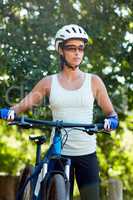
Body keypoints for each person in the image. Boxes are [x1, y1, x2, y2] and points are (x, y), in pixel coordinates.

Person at [0, 24, 118, 200]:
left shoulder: (94, 82)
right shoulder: (49, 82)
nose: (77, 53)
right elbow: (23, 105)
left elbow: (111, 113)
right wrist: (10, 112)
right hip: (59, 153)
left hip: (87, 154)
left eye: (81, 48)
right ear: (61, 50)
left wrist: (111, 122)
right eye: (72, 48)